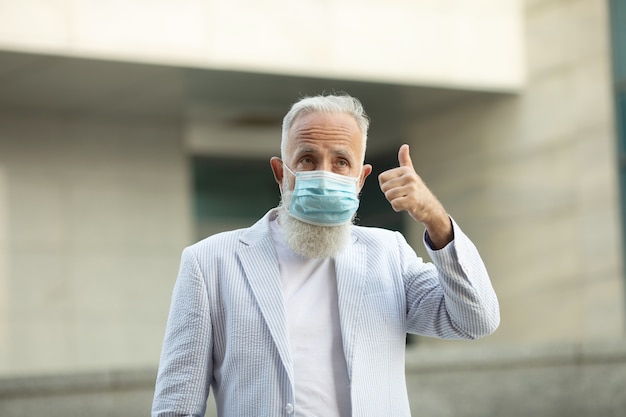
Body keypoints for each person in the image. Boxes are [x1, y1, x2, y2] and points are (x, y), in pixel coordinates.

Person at [152, 94, 500, 417]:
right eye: (307, 159)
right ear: (280, 172)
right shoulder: (211, 262)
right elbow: (176, 405)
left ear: (360, 178)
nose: (323, 174)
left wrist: (435, 219)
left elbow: (476, 319)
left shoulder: (388, 255)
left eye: (341, 161)